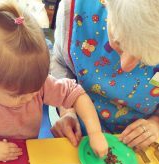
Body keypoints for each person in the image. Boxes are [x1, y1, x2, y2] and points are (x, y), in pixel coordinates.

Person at [0, 0, 108, 161]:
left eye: (34, 91)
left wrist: (95, 133)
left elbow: (76, 94)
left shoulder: (38, 86)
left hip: (27, 155)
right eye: (17, 96)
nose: (28, 98)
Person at [51, 0, 159, 150]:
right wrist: (67, 111)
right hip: (80, 131)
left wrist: (156, 124)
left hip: (143, 139)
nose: (125, 66)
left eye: (145, 59)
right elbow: (60, 63)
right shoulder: (75, 9)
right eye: (119, 42)